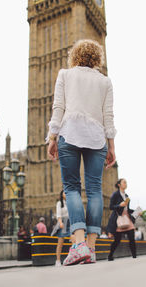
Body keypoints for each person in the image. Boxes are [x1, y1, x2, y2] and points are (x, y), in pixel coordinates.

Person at [47, 39, 116, 266]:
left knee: (72, 187)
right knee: (95, 190)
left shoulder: (65, 75)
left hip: (70, 132)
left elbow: (58, 107)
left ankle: (78, 245)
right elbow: (108, 116)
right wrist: (112, 146)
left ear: (74, 55)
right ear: (97, 58)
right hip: (97, 137)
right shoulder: (105, 81)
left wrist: (52, 137)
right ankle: (92, 249)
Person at [107, 178, 139, 261]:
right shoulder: (115, 194)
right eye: (124, 182)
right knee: (117, 240)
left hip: (127, 218)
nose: (126, 184)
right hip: (119, 219)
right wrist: (119, 205)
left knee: (132, 238)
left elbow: (127, 209)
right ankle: (110, 255)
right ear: (119, 185)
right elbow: (111, 207)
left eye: (126, 182)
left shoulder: (126, 196)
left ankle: (134, 256)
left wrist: (136, 211)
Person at [53, 190, 75, 267]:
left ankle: (73, 256)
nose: (66, 194)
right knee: (60, 243)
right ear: (62, 194)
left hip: (70, 221)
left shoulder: (70, 202)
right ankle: (58, 260)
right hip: (63, 222)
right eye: (64, 192)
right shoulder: (59, 203)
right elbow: (58, 215)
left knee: (74, 239)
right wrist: (60, 222)